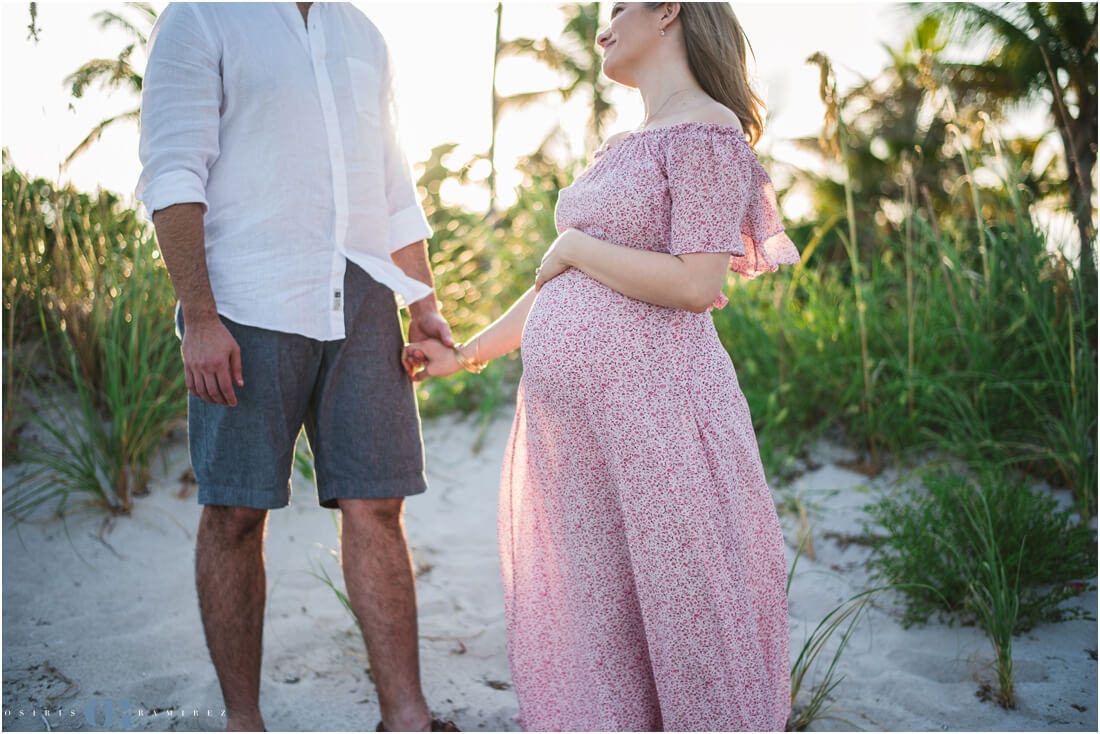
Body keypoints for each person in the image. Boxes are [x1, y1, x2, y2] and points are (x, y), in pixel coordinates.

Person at [405, 2, 798, 730]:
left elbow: (694, 282)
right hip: (586, 437)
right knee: (607, 620)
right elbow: (556, 289)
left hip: (658, 418)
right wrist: (462, 358)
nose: (603, 25)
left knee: (682, 615)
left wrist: (575, 248)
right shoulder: (621, 144)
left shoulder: (708, 131)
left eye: (618, 7)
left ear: (669, 11)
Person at [136, 3, 458, 731]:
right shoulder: (201, 17)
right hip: (245, 303)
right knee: (237, 511)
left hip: (366, 296)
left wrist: (423, 304)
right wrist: (202, 317)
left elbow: (393, 183)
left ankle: (407, 715)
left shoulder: (363, 34)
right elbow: (173, 172)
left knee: (378, 503)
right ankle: (244, 721)